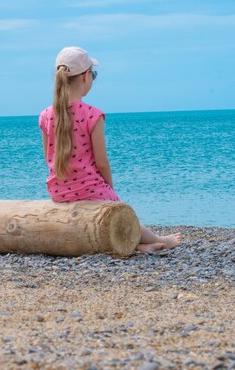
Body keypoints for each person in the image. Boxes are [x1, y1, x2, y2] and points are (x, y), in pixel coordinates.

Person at [39, 46, 182, 252]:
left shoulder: (45, 115)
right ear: (86, 77)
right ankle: (158, 240)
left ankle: (140, 247)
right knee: (123, 212)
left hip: (58, 191)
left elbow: (48, 159)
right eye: (93, 74)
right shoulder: (92, 115)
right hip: (90, 188)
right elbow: (102, 162)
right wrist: (110, 189)